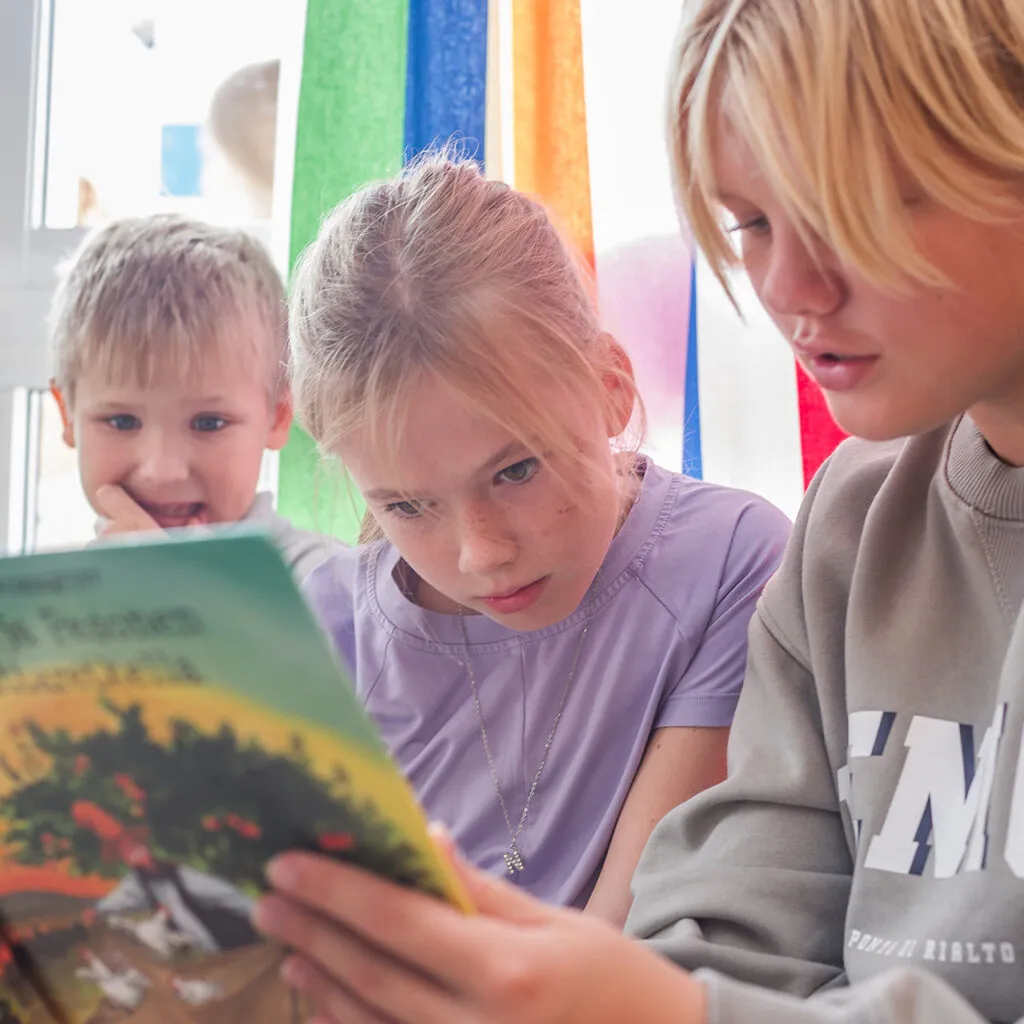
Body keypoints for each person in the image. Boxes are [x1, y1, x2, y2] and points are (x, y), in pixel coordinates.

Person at [249, 1, 1024, 1021]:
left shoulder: (736, 552)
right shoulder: (848, 527)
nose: (789, 287)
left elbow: (688, 983)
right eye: (750, 223)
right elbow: (722, 938)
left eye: (858, 206)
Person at [290, 153, 789, 923]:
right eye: (408, 506)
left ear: (611, 388)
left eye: (516, 470)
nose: (481, 554)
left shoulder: (727, 559)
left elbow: (626, 934)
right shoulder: (320, 627)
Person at [48, 213, 343, 581]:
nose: (161, 471)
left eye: (208, 423)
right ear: (67, 414)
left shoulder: (331, 586)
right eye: (122, 421)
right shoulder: (57, 597)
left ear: (279, 414)